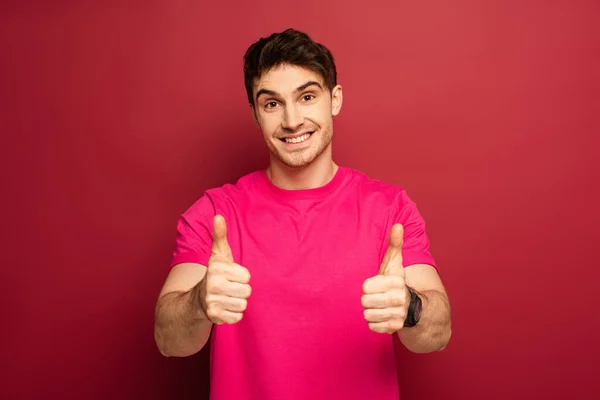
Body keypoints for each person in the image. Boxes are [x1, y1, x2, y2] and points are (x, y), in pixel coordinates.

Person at [154, 28, 452, 400]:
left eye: (307, 97)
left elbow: (437, 335)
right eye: (272, 104)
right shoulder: (214, 212)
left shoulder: (391, 208)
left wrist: (410, 307)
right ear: (255, 113)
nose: (292, 120)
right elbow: (170, 341)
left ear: (335, 99)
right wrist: (199, 300)